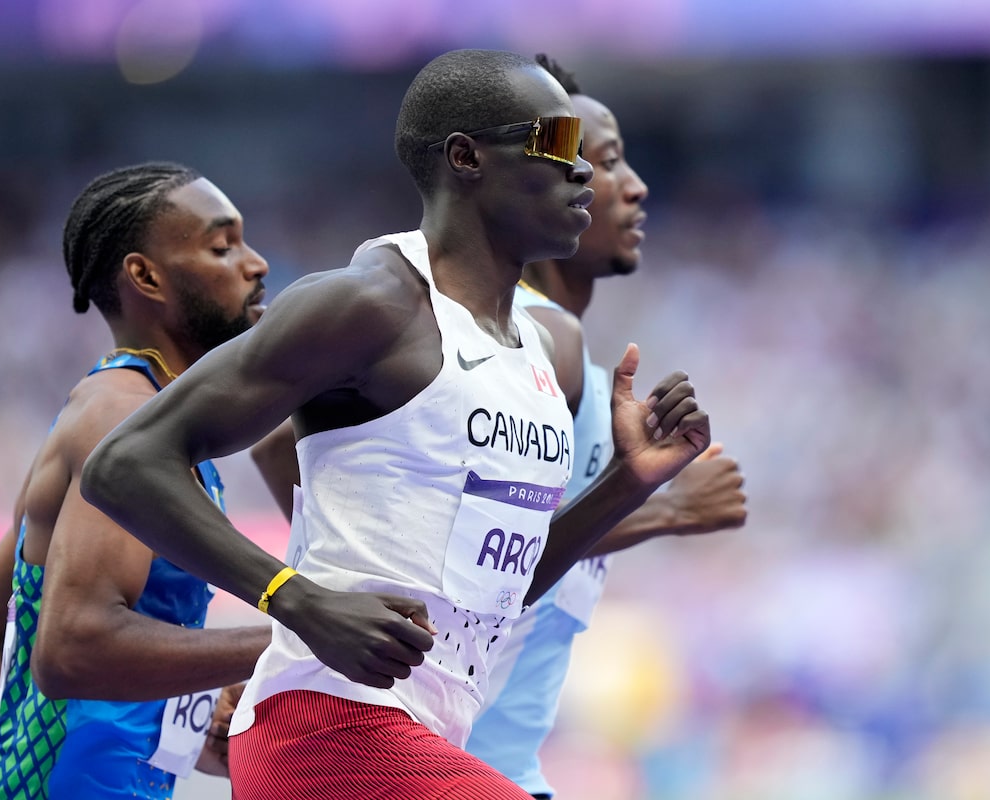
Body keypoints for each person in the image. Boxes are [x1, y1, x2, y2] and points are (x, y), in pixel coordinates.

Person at [80, 49, 712, 800]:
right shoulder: (373, 303)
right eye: (558, 143)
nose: (584, 172)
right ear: (466, 157)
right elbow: (125, 464)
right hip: (326, 728)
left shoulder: (538, 349)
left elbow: (502, 586)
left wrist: (626, 483)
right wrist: (295, 598)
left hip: (425, 733)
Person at [0, 162, 274, 799]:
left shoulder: (140, 414)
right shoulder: (120, 418)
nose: (255, 264)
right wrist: (297, 635)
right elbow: (75, 649)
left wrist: (180, 725)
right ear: (145, 276)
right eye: (222, 246)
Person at [462, 54, 748, 799]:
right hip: (435, 770)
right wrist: (667, 509)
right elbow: (477, 572)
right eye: (610, 162)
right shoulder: (512, 341)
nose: (637, 186)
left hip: (501, 769)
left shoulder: (571, 363)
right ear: (545, 188)